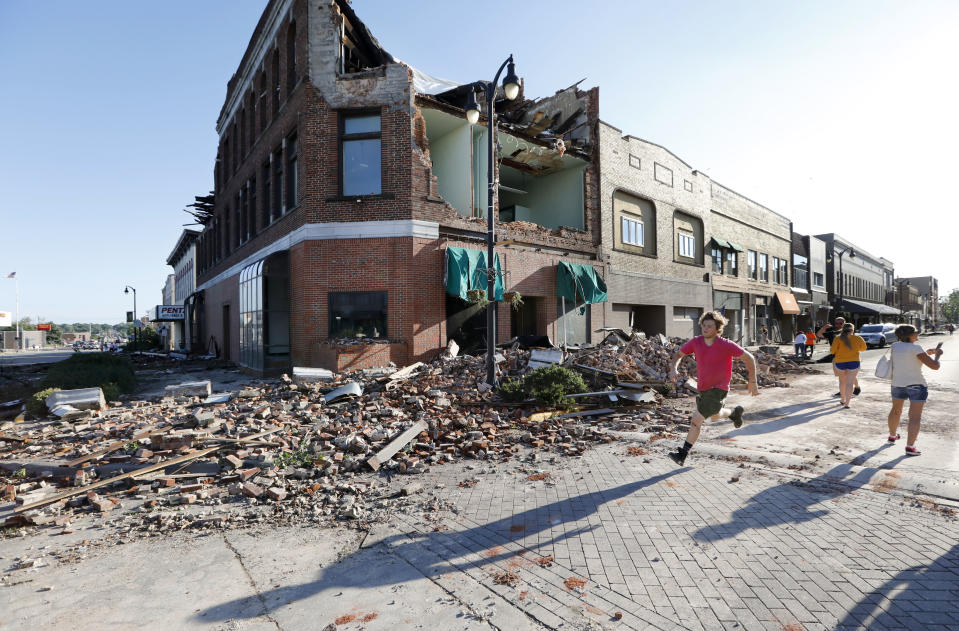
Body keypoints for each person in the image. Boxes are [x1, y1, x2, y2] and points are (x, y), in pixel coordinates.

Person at [666, 311, 759, 466]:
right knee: (715, 416)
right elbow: (678, 355)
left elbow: (749, 358)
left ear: (718, 329)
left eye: (710, 326)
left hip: (719, 389)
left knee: (696, 420)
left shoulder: (726, 345)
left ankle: (682, 455)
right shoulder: (696, 342)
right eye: (704, 325)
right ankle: (734, 413)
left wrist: (753, 381)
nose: (705, 328)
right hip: (703, 389)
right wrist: (673, 369)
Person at [887, 324, 942, 456]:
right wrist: (937, 356)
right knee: (914, 416)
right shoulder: (916, 348)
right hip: (916, 384)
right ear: (910, 335)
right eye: (916, 332)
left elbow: (907, 357)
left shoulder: (895, 346)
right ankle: (910, 447)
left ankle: (892, 436)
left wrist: (926, 353)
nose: (918, 334)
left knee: (895, 410)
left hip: (898, 383)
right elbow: (935, 366)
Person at [819, 316, 861, 396]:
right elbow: (819, 334)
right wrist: (824, 327)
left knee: (849, 375)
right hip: (837, 357)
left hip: (850, 357)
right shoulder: (832, 333)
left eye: (840, 323)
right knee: (842, 376)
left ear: (845, 324)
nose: (838, 325)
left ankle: (855, 387)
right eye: (836, 323)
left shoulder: (850, 333)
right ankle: (845, 390)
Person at [830, 322, 866, 408]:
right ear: (853, 330)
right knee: (850, 383)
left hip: (840, 362)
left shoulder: (837, 338)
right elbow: (863, 348)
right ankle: (847, 404)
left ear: (843, 329)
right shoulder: (858, 338)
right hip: (854, 362)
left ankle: (842, 399)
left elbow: (832, 351)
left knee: (842, 381)